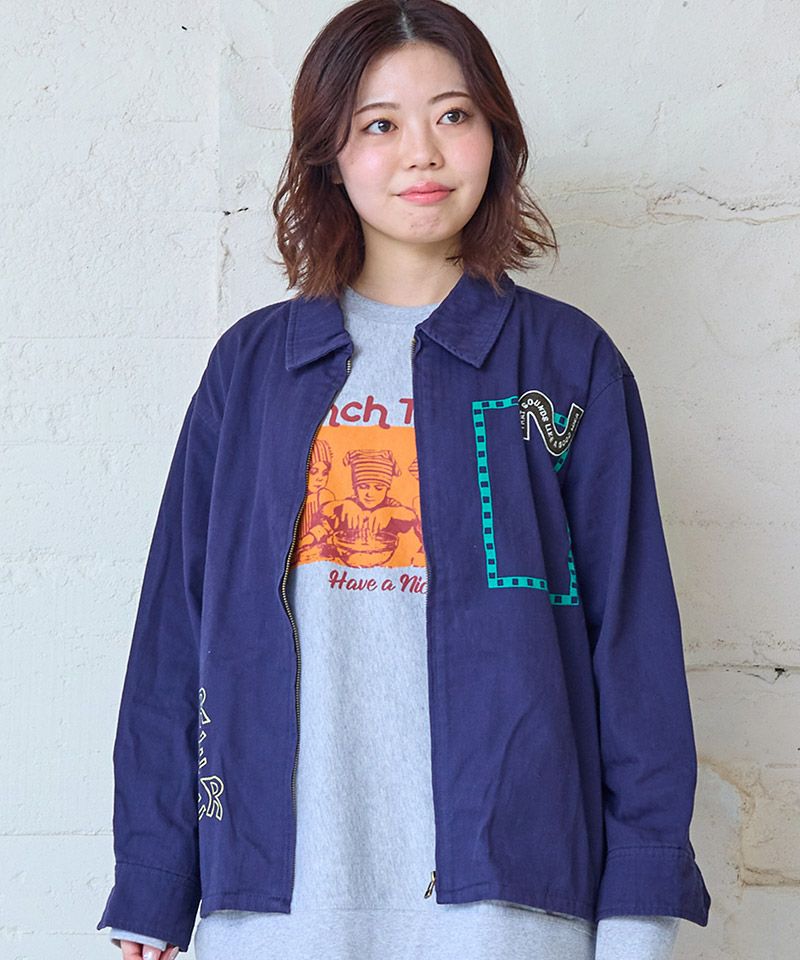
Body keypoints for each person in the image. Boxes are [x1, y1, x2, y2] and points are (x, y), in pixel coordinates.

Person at [96, 1, 711, 958]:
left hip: (510, 907)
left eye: (453, 115)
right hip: (279, 905)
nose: (422, 151)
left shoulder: (567, 363)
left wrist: (639, 911)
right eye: (379, 124)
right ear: (329, 155)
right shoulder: (253, 369)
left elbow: (634, 652)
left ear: (495, 136)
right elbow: (177, 629)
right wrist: (154, 878)